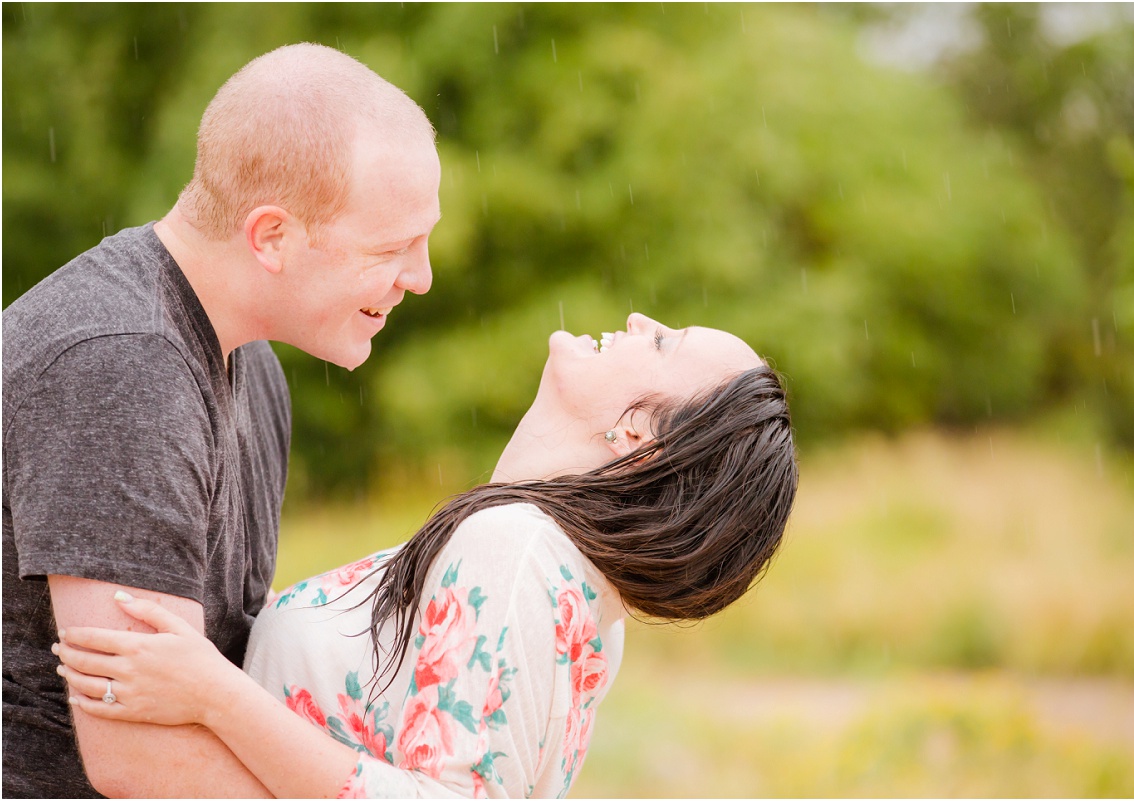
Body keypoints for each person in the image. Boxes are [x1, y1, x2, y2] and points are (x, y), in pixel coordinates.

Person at [55, 313, 799, 798]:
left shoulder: (515, 550)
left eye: (665, 342)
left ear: (639, 434)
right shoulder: (572, 585)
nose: (641, 321)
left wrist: (212, 693)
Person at [2, 43, 440, 798]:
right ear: (271, 235)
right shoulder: (122, 364)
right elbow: (138, 756)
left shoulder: (253, 365)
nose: (422, 278)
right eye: (394, 247)